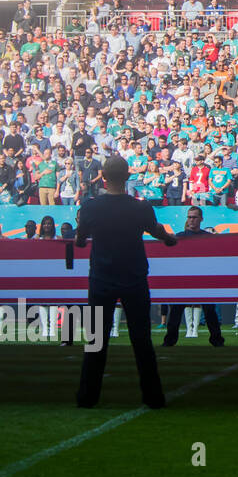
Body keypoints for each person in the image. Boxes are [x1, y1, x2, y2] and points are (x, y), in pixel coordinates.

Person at [73, 157, 176, 407]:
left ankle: (88, 397)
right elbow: (159, 233)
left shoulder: (90, 207)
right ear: (128, 176)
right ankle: (153, 397)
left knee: (96, 340)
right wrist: (171, 239)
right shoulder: (140, 207)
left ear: (103, 176)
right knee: (141, 340)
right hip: (134, 278)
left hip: (101, 279)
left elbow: (79, 240)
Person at [161, 206, 225, 347]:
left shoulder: (208, 238)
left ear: (201, 219)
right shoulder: (179, 237)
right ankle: (169, 340)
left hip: (203, 280)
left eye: (194, 217)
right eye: (189, 217)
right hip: (184, 280)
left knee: (210, 312)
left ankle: (217, 339)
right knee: (176, 312)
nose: (191, 220)